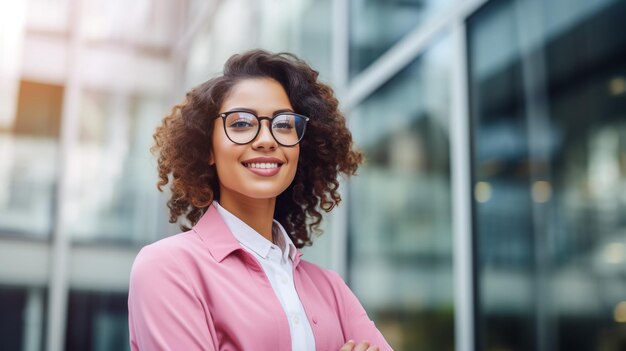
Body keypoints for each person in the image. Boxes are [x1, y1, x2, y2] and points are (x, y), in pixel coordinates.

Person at [128, 49, 393, 351]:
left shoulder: (330, 289)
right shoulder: (169, 268)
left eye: (283, 124)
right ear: (208, 149)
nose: (267, 139)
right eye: (241, 123)